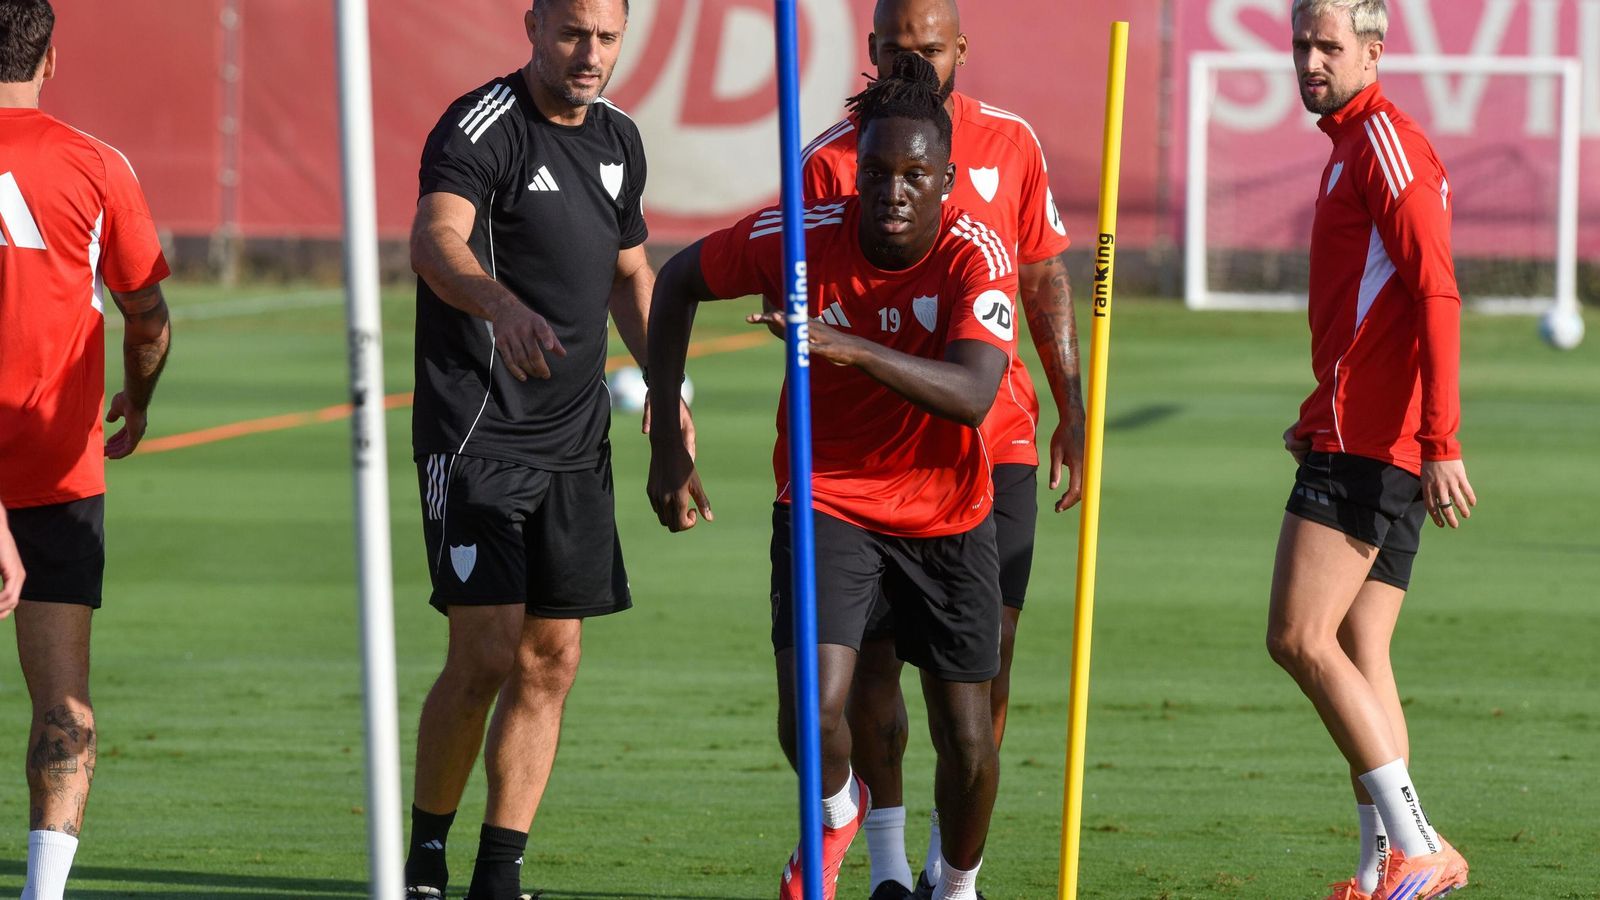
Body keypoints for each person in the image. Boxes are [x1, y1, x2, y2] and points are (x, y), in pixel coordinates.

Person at [647, 54, 1017, 900]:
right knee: (812, 717)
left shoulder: (976, 253)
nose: (892, 190)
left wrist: (843, 344)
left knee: (968, 742)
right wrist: (669, 439)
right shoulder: (802, 236)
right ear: (857, 170)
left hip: (948, 515)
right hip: (829, 501)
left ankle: (955, 888)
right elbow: (675, 283)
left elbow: (971, 394)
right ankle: (837, 809)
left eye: (914, 174)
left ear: (945, 178)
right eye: (877, 171)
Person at [798, 1, 1085, 895]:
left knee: (980, 670)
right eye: (892, 50)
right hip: (874, 464)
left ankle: (953, 871)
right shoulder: (826, 163)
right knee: (871, 666)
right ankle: (887, 871)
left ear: (960, 48)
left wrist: (1070, 403)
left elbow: (1042, 278)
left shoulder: (1011, 143)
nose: (908, 64)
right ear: (870, 51)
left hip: (995, 442)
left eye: (927, 50)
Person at [402, 2, 685, 898]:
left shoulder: (621, 140)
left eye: (606, 37)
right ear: (532, 26)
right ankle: (424, 861)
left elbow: (631, 275)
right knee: (485, 652)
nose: (589, 54)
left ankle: (499, 872)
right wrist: (499, 304)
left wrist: (669, 395)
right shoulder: (483, 124)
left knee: (552, 658)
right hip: (477, 432)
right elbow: (433, 238)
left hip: (575, 441)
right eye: (572, 34)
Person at [1270, 3, 1474, 899]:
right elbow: (1376, 318)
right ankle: (1381, 866)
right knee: (1359, 643)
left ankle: (1419, 845)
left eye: (1328, 46)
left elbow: (1436, 292)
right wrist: (1321, 412)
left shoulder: (1387, 144)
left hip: (1374, 443)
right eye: (1301, 44)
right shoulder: (1347, 146)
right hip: (1361, 431)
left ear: (1374, 52)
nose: (1310, 59)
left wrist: (1442, 439)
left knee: (1298, 637)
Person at [0, 3, 174, 898]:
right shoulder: (98, 164)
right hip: (55, 473)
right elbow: (146, 318)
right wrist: (135, 406)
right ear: (51, 58)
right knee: (62, 704)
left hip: (44, 479)